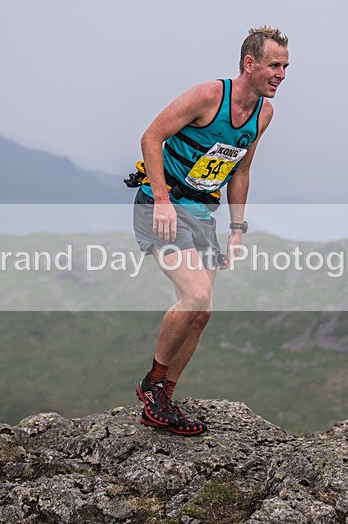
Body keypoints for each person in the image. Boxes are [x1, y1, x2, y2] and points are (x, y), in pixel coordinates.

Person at [131, 26, 289, 435]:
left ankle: (165, 399)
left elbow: (241, 170)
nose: (281, 74)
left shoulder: (263, 114)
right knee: (195, 294)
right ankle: (152, 385)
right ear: (249, 63)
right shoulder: (207, 96)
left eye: (286, 67)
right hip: (162, 208)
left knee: (202, 313)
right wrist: (162, 199)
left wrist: (237, 229)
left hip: (202, 215)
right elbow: (151, 137)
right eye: (274, 65)